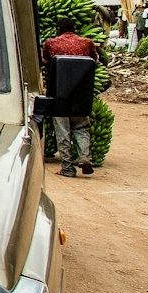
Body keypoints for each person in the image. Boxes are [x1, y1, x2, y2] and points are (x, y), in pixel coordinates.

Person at [41, 17, 101, 177]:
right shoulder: (87, 43)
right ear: (74, 29)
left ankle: (67, 168)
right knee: (81, 128)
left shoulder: (51, 43)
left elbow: (45, 60)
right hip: (82, 94)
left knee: (63, 131)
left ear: (58, 29)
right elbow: (96, 61)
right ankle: (84, 156)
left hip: (59, 93)